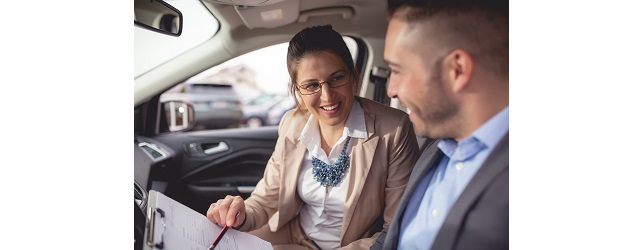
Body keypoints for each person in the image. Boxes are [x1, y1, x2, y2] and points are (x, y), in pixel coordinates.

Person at [207, 24, 421, 249]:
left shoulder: (394, 130)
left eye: (337, 78)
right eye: (311, 85)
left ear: (353, 75)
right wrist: (240, 214)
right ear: (298, 91)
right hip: (291, 238)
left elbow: (396, 227)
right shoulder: (292, 123)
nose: (327, 96)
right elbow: (264, 201)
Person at [372, 0, 509, 249]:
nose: (391, 90)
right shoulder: (435, 149)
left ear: (456, 70)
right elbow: (391, 237)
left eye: (397, 70)